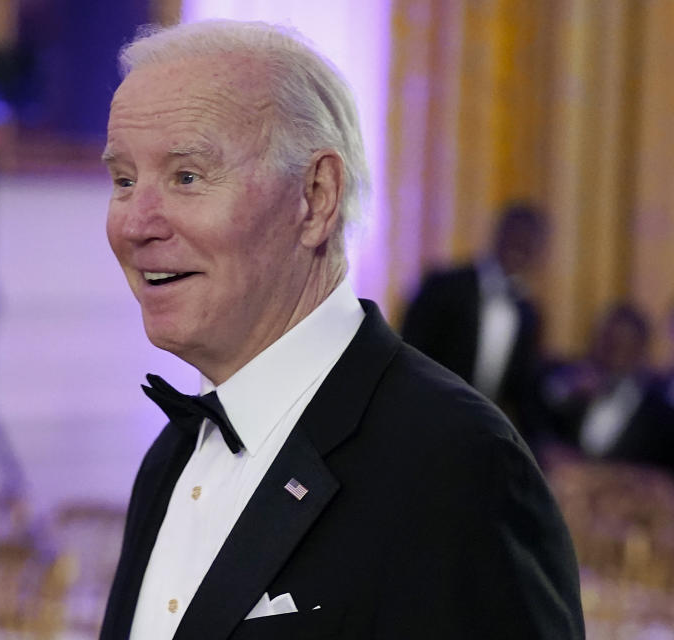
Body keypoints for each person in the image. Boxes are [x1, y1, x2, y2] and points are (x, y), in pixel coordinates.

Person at [99, 19, 584, 640]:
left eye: (187, 177)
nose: (135, 224)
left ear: (316, 197)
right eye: (123, 180)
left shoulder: (459, 463)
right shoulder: (169, 459)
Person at [400, 202, 548, 442]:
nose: (520, 247)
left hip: (480, 440)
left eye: (529, 243)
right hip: (424, 424)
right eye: (515, 237)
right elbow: (407, 351)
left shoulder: (528, 314)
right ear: (499, 234)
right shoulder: (444, 286)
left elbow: (521, 393)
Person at [538, 302, 674, 474]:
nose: (610, 352)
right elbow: (540, 434)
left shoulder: (661, 413)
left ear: (641, 348)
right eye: (604, 341)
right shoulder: (571, 391)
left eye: (622, 343)